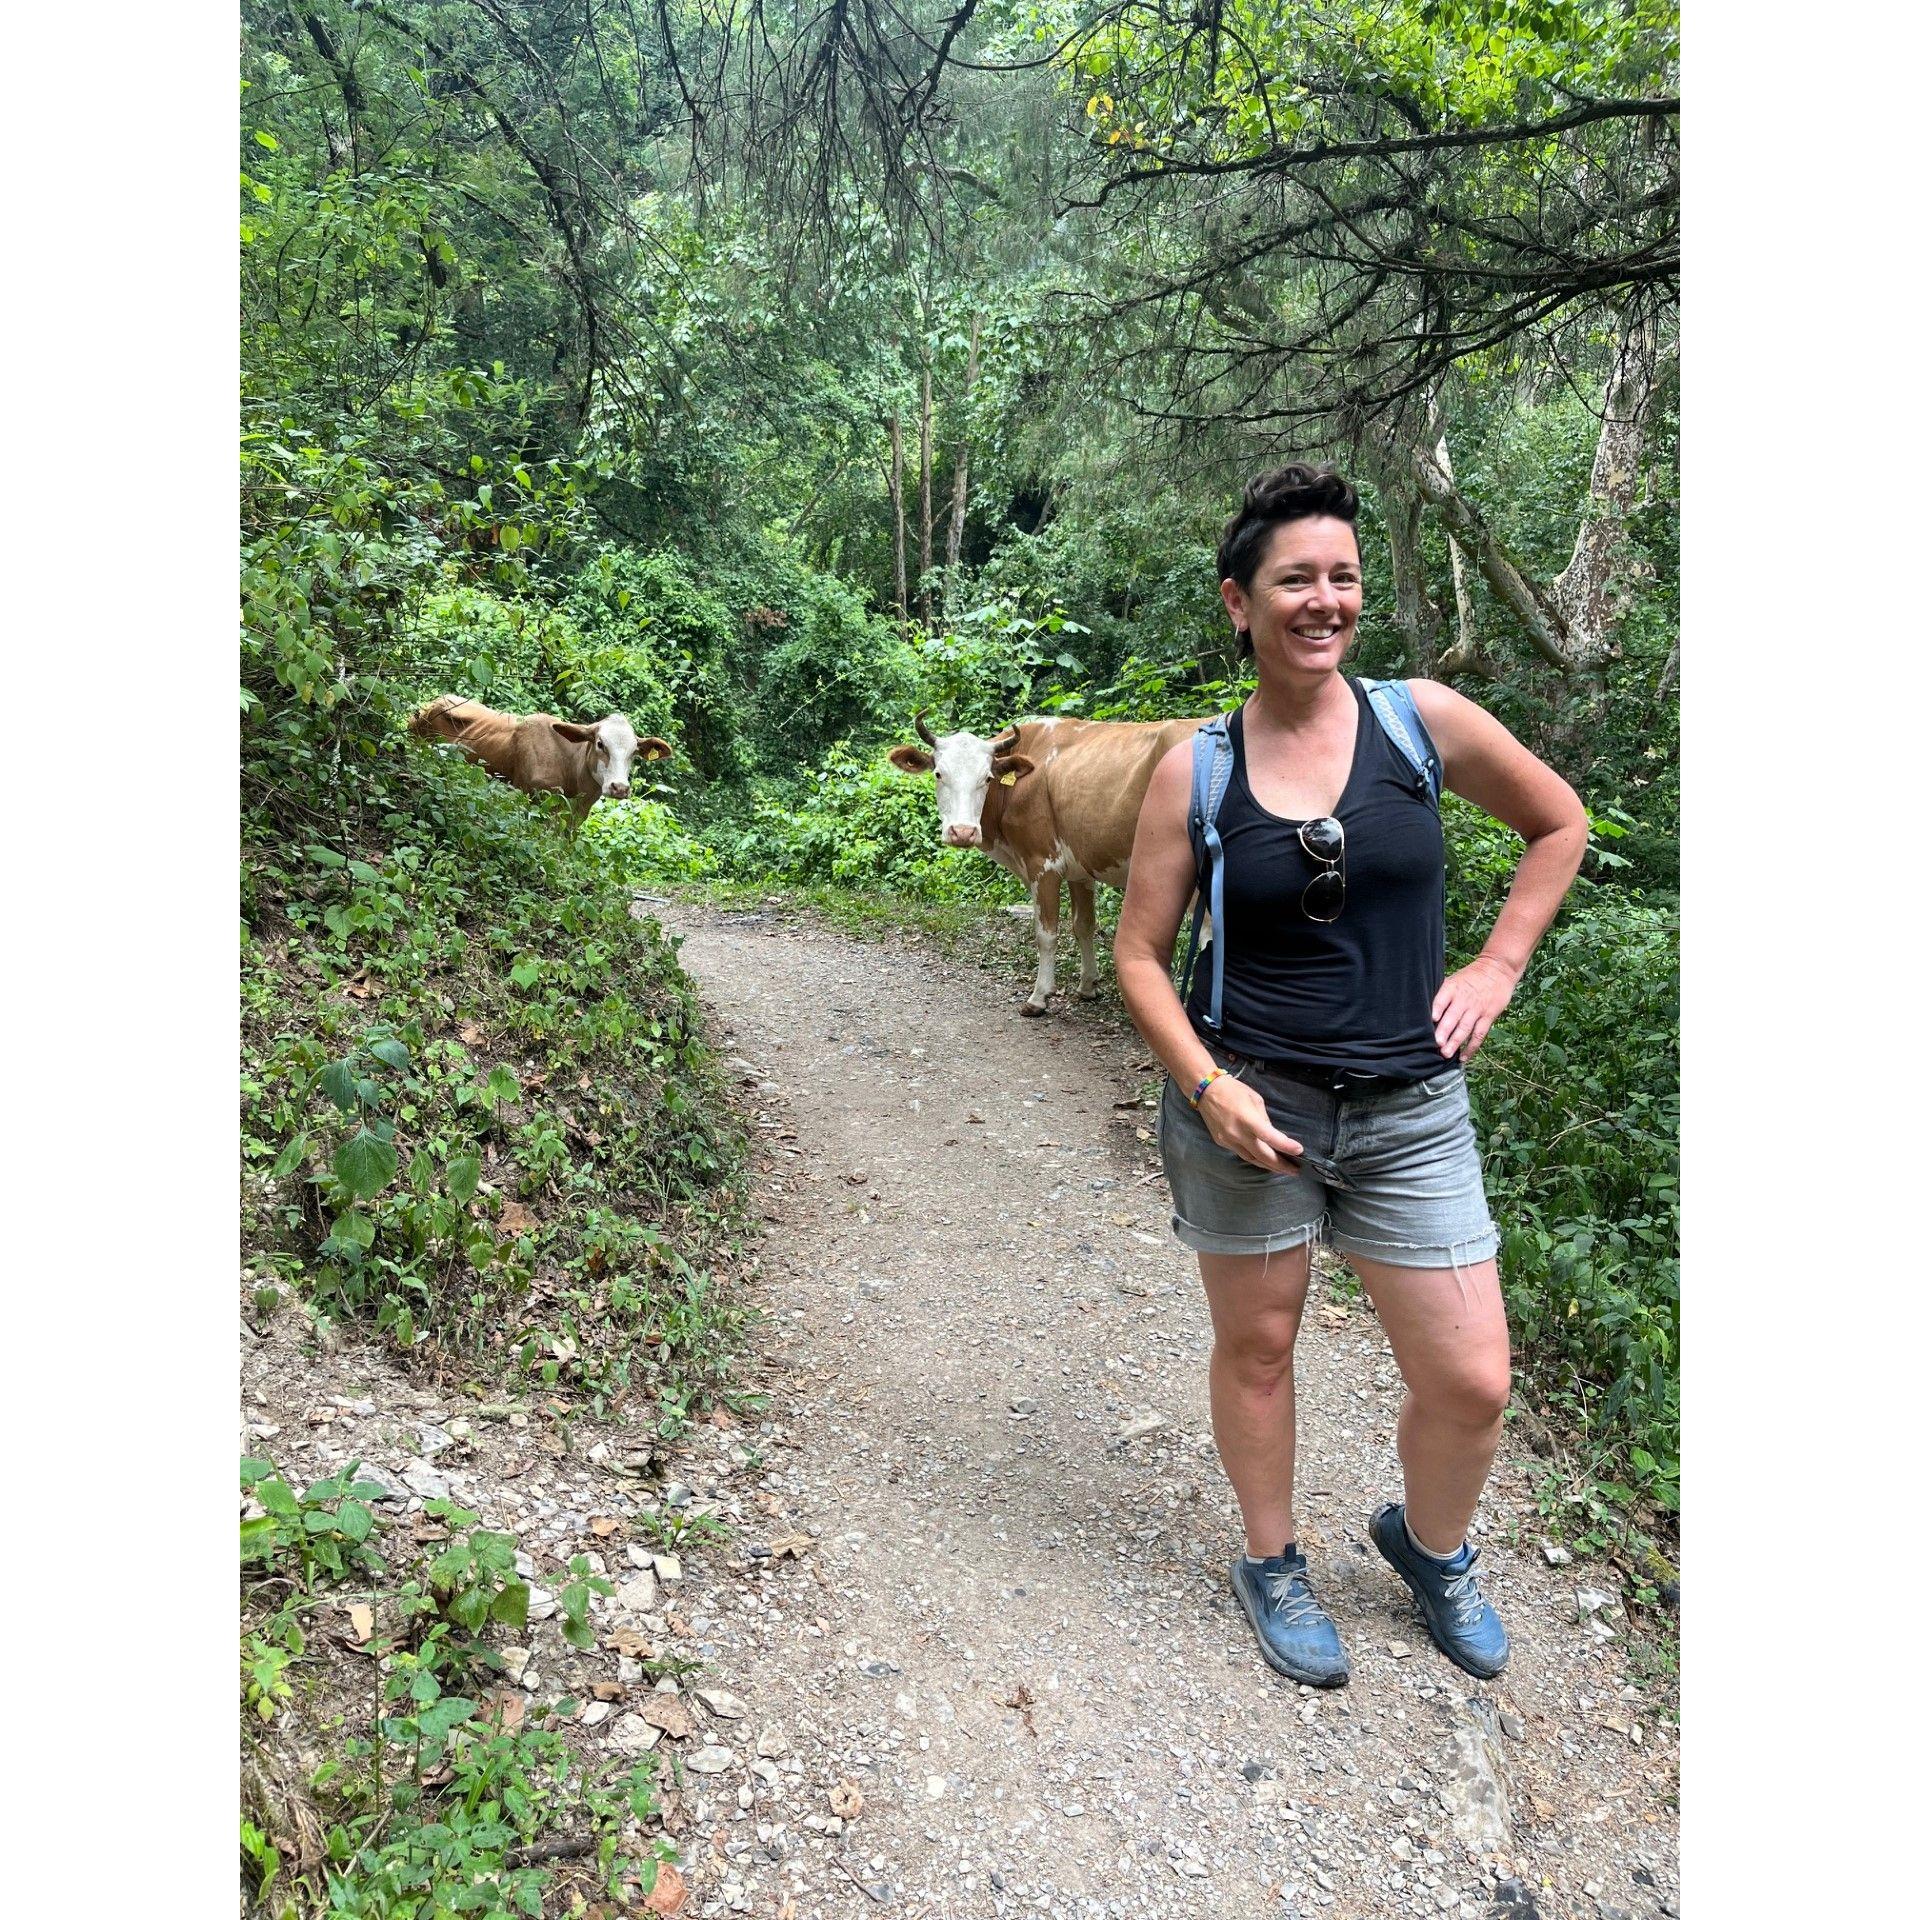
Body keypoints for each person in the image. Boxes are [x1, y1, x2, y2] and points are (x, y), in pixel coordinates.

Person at [1112, 465, 1587, 1687]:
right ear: (1239, 602)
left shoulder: (1421, 721)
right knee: (1260, 1346)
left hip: (1412, 1107)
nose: (1323, 601)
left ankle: (1429, 1548)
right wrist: (1209, 1089)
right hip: (1251, 1107)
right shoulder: (1196, 770)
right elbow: (1140, 957)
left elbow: (1558, 822)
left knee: (1473, 1378)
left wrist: (1498, 963)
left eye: (1343, 578)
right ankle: (1271, 1562)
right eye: (1294, 581)